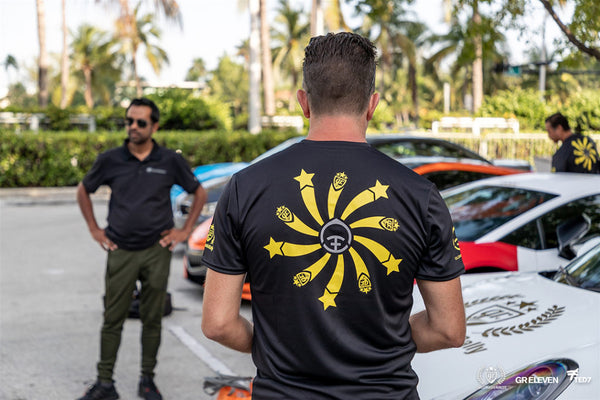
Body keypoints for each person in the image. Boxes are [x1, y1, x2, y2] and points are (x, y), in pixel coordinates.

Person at [201, 32, 466, 399]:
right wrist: (383, 345)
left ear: (304, 103)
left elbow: (217, 324)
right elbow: (448, 329)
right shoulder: (421, 196)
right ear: (372, 104)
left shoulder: (244, 187)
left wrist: (273, 349)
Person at [76, 97, 207, 400]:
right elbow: (84, 189)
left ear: (154, 126)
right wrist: (95, 229)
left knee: (152, 318)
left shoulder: (169, 160)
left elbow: (198, 191)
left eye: (140, 122)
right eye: (129, 121)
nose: (133, 127)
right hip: (120, 250)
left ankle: (147, 380)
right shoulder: (110, 159)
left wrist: (184, 231)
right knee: (112, 319)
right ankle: (104, 383)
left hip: (156, 251)